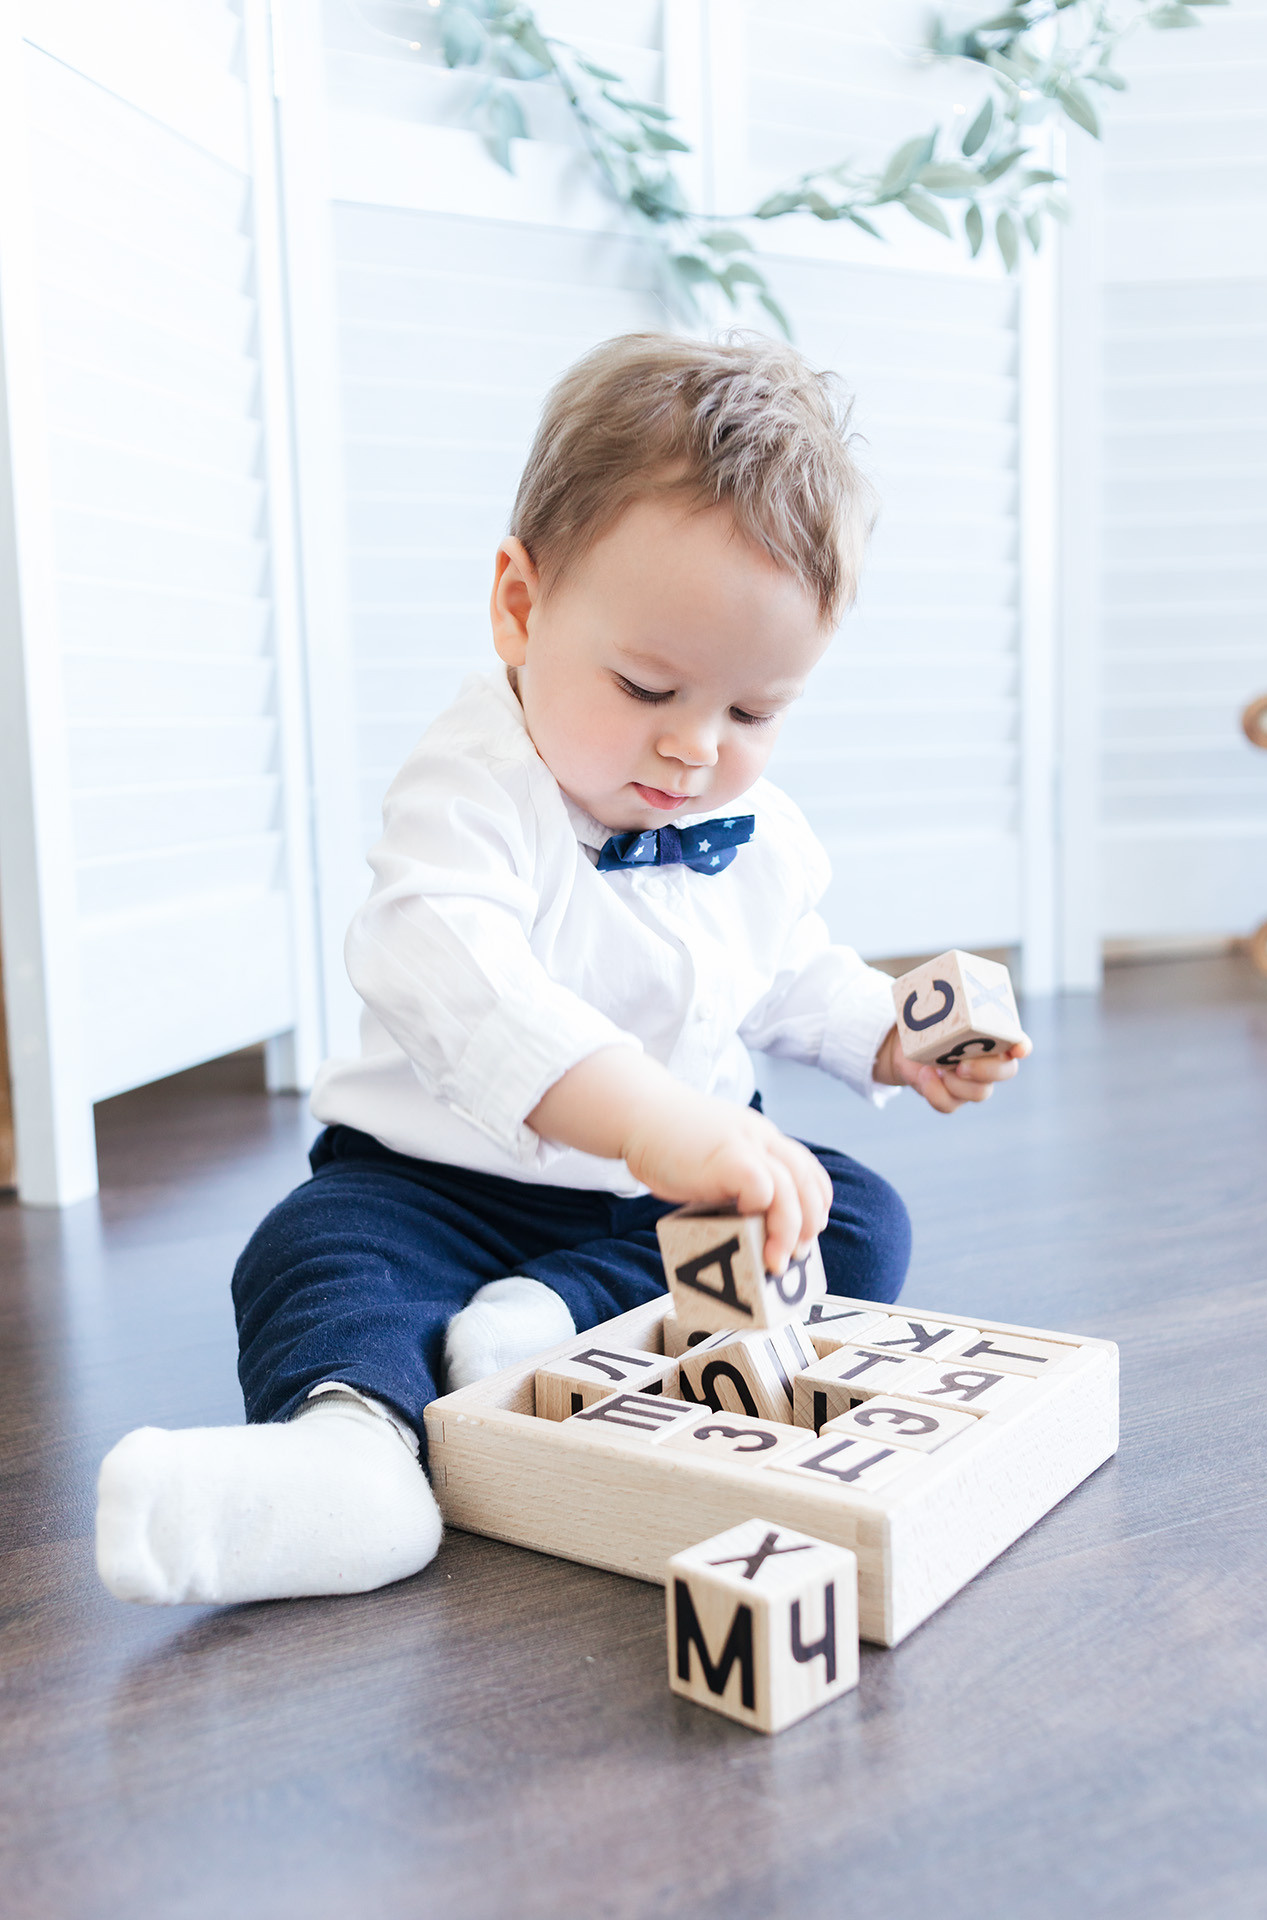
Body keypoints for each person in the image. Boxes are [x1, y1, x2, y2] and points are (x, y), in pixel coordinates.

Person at [95, 333, 1029, 1607]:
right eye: (649, 685)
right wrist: (657, 1122)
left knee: (852, 1217)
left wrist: (890, 1035)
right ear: (520, 607)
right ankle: (349, 1457)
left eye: (753, 713)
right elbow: (462, 978)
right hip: (442, 1182)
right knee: (316, 1250)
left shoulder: (754, 830)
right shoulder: (470, 794)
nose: (696, 748)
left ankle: (563, 1313)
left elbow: (787, 970)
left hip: (653, 1214)